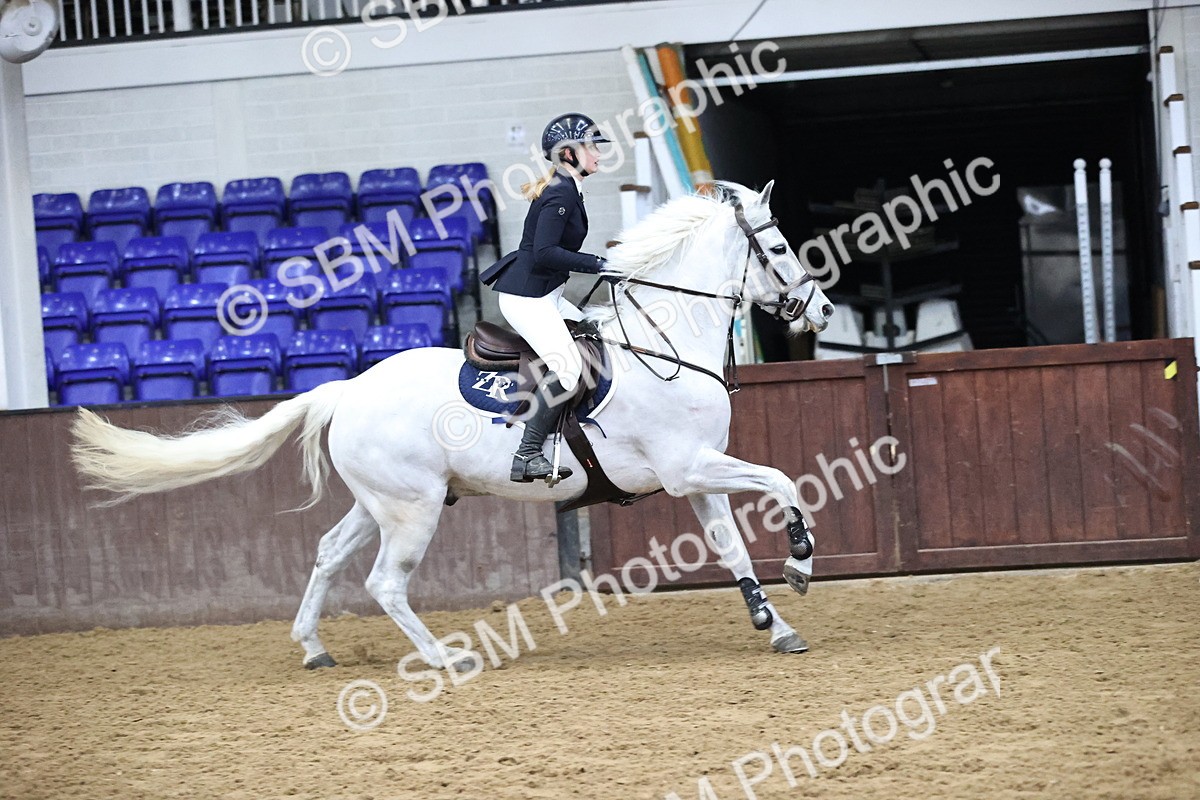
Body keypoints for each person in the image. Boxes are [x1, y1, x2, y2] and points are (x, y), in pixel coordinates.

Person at [479, 112, 612, 483]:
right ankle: (527, 454)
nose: (599, 154)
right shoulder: (559, 193)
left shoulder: (569, 188)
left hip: (546, 293)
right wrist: (601, 263)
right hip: (528, 298)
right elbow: (544, 252)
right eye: (592, 147)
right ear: (569, 153)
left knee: (595, 332)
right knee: (568, 371)